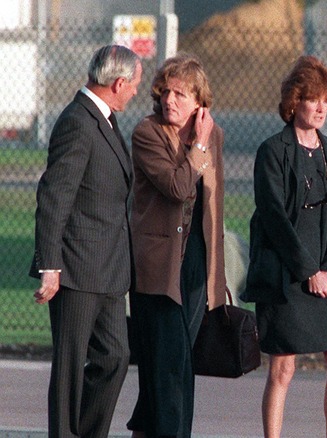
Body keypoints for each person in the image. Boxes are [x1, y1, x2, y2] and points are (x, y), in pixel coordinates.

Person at [29, 44, 141, 437]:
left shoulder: (106, 120)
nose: (135, 93)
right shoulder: (78, 120)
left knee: (115, 356)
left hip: (109, 269)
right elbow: (54, 195)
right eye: (134, 85)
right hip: (76, 267)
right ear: (119, 82)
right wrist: (50, 265)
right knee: (70, 366)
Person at [243, 55, 327, 438]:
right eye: (312, 99)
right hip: (287, 274)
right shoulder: (272, 151)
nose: (321, 107)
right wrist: (308, 271)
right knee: (283, 368)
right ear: (295, 102)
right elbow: (273, 217)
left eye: (326, 100)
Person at [126, 53, 227, 437]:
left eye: (180, 93)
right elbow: (177, 187)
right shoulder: (147, 133)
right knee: (169, 364)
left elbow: (213, 203)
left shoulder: (213, 134)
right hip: (158, 265)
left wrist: (217, 274)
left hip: (196, 264)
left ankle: (147, 430)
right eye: (165, 91)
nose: (170, 99)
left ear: (199, 101)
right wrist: (198, 146)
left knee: (177, 363)